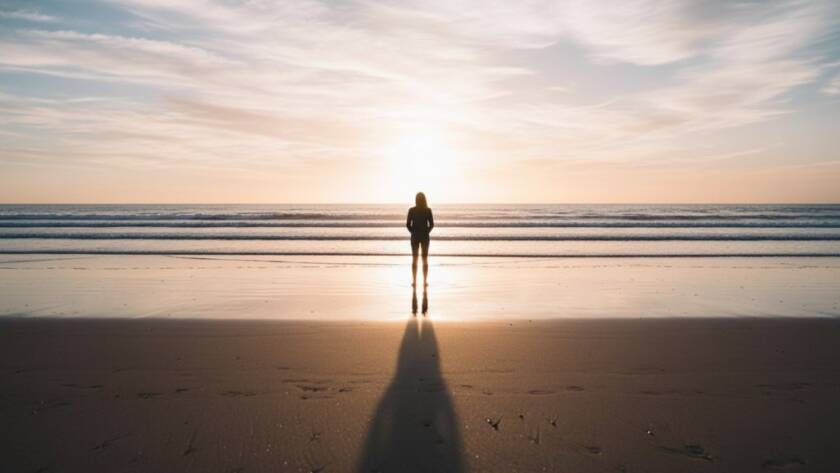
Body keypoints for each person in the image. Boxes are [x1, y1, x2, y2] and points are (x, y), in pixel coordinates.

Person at [406, 192, 434, 287]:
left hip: (415, 236)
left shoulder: (412, 210)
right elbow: (432, 224)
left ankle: (414, 281)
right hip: (424, 236)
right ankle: (424, 282)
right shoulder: (428, 210)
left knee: (415, 259)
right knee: (424, 259)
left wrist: (413, 232)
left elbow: (408, 224)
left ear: (416, 199)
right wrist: (427, 231)